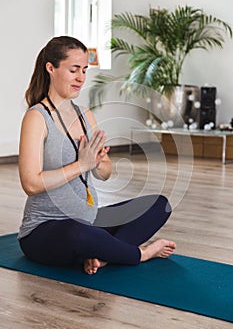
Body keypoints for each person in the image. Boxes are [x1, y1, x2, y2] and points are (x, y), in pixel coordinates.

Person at [18, 36, 176, 275]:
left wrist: (98, 162)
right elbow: (30, 184)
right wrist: (82, 165)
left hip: (89, 220)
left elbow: (105, 173)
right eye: (73, 70)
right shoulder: (37, 117)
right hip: (46, 231)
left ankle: (101, 254)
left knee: (159, 205)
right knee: (79, 233)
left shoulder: (85, 116)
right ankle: (140, 254)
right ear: (51, 68)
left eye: (84, 70)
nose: (81, 78)